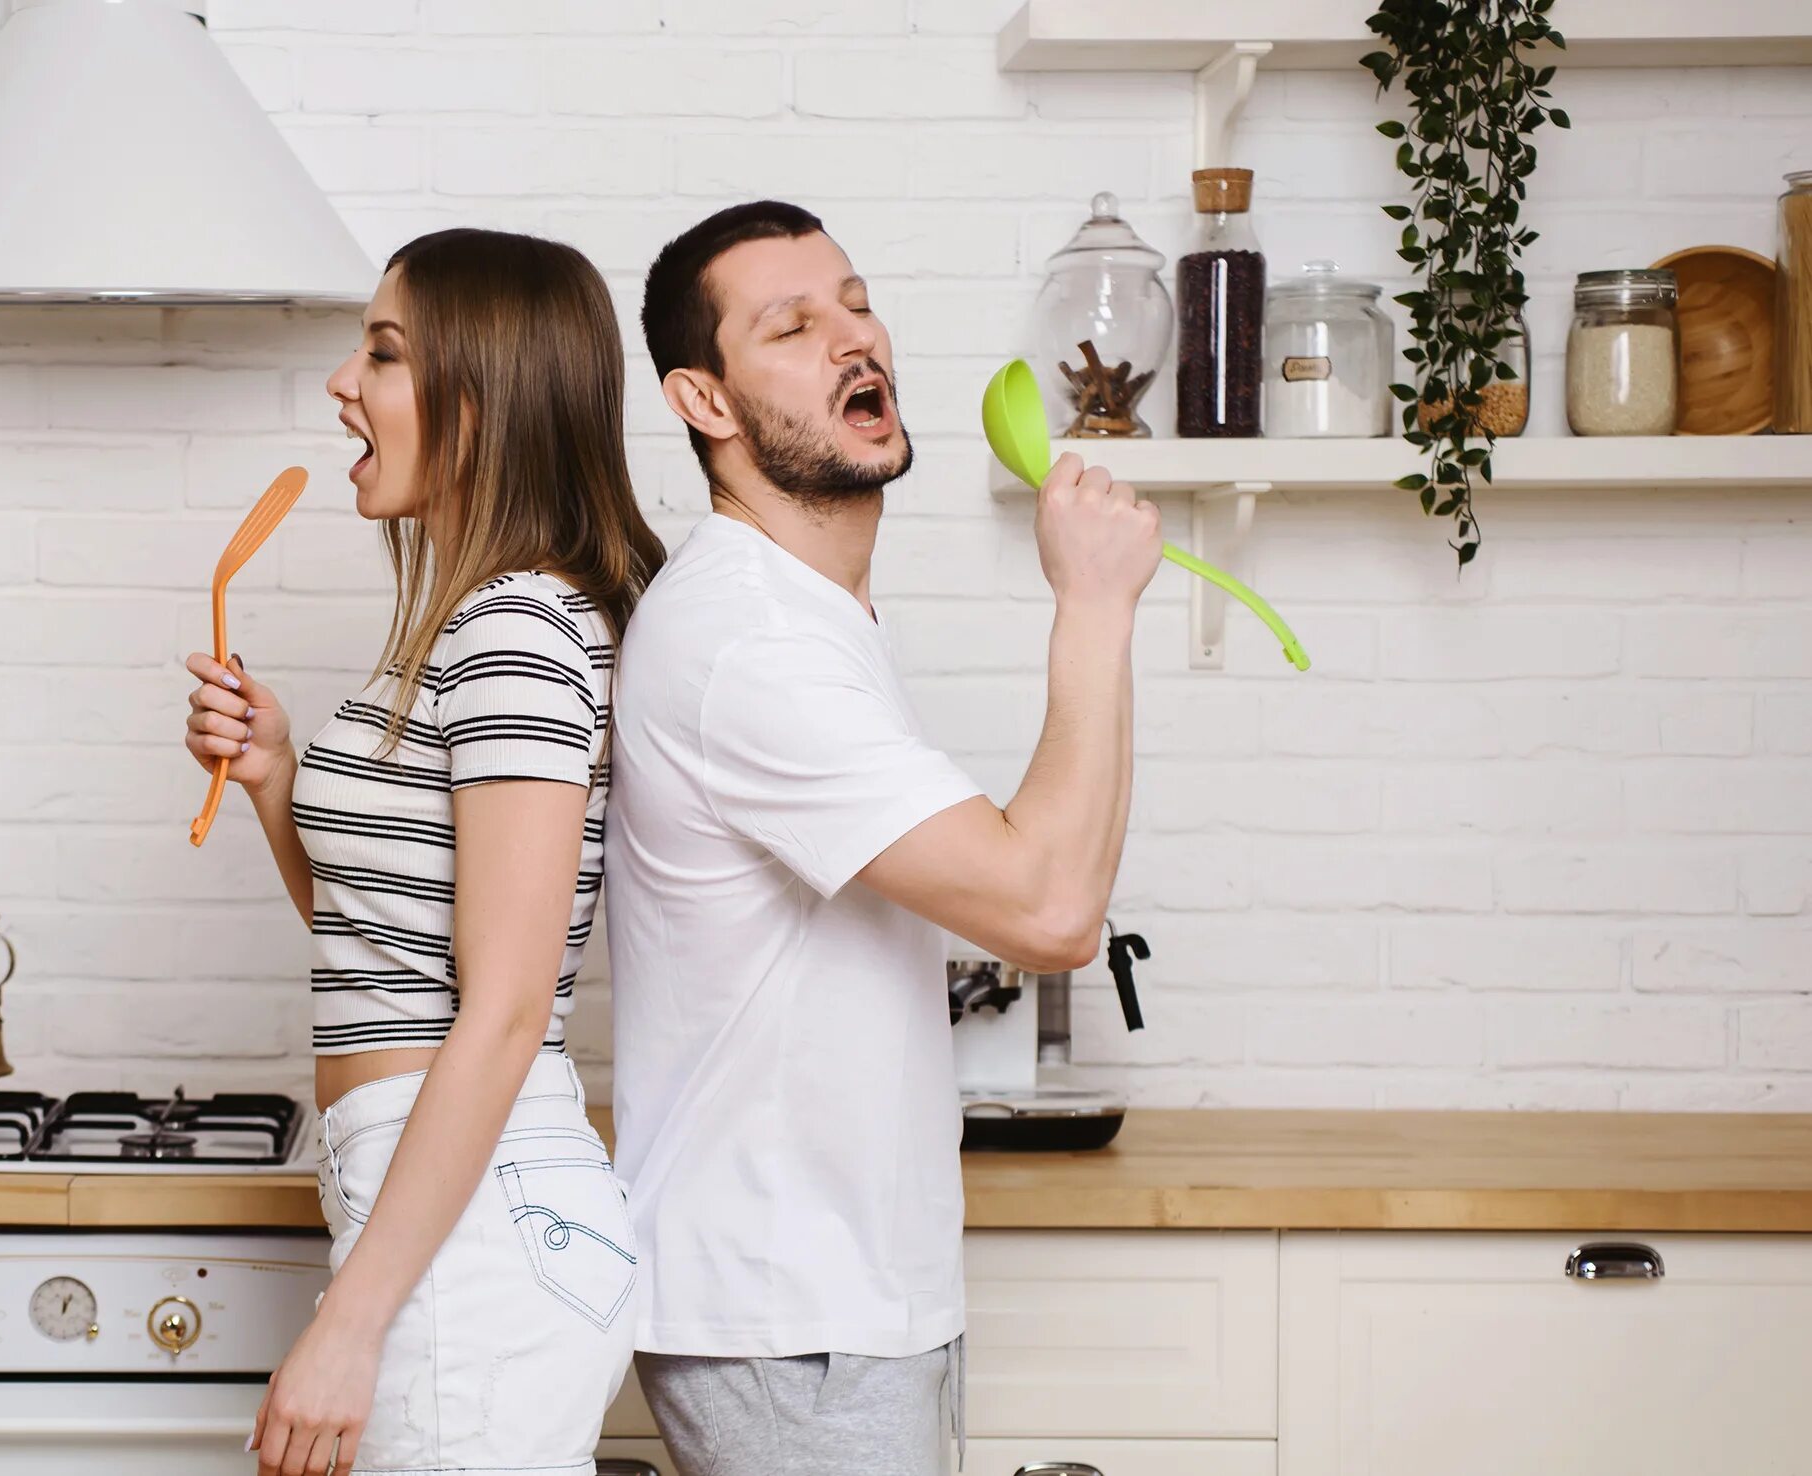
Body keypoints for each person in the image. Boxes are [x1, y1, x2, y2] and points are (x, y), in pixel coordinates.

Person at [604, 200, 1161, 1475]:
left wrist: (1100, 609)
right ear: (707, 401)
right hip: (791, 1319)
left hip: (834, 1308)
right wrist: (1091, 604)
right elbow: (1050, 910)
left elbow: (1053, 886)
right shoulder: (750, 644)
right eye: (790, 327)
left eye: (856, 303)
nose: (854, 340)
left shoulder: (809, 619)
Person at [183, 227, 666, 1476]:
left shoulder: (512, 628)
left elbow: (503, 1012)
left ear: (485, 394)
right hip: (446, 1207)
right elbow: (387, 945)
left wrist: (349, 1323)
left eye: (383, 355)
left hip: (476, 1228)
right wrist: (279, 782)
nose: (345, 382)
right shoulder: (476, 618)